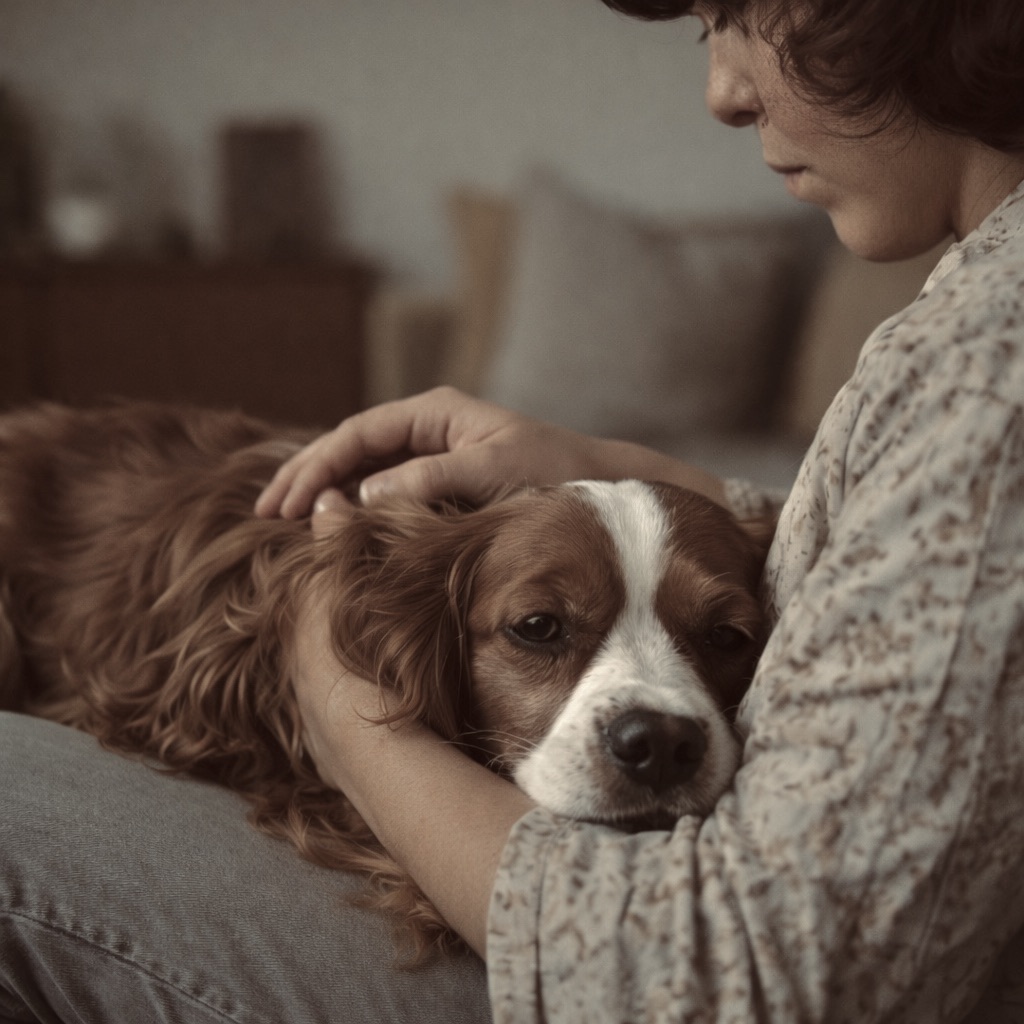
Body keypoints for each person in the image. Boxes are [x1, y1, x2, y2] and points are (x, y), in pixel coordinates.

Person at [2, 0, 1022, 1021]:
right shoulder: (971, 300)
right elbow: (902, 566)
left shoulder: (992, 365)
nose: (720, 89)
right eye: (542, 630)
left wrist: (333, 689)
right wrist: (628, 472)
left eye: (742, 10)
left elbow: (730, 982)